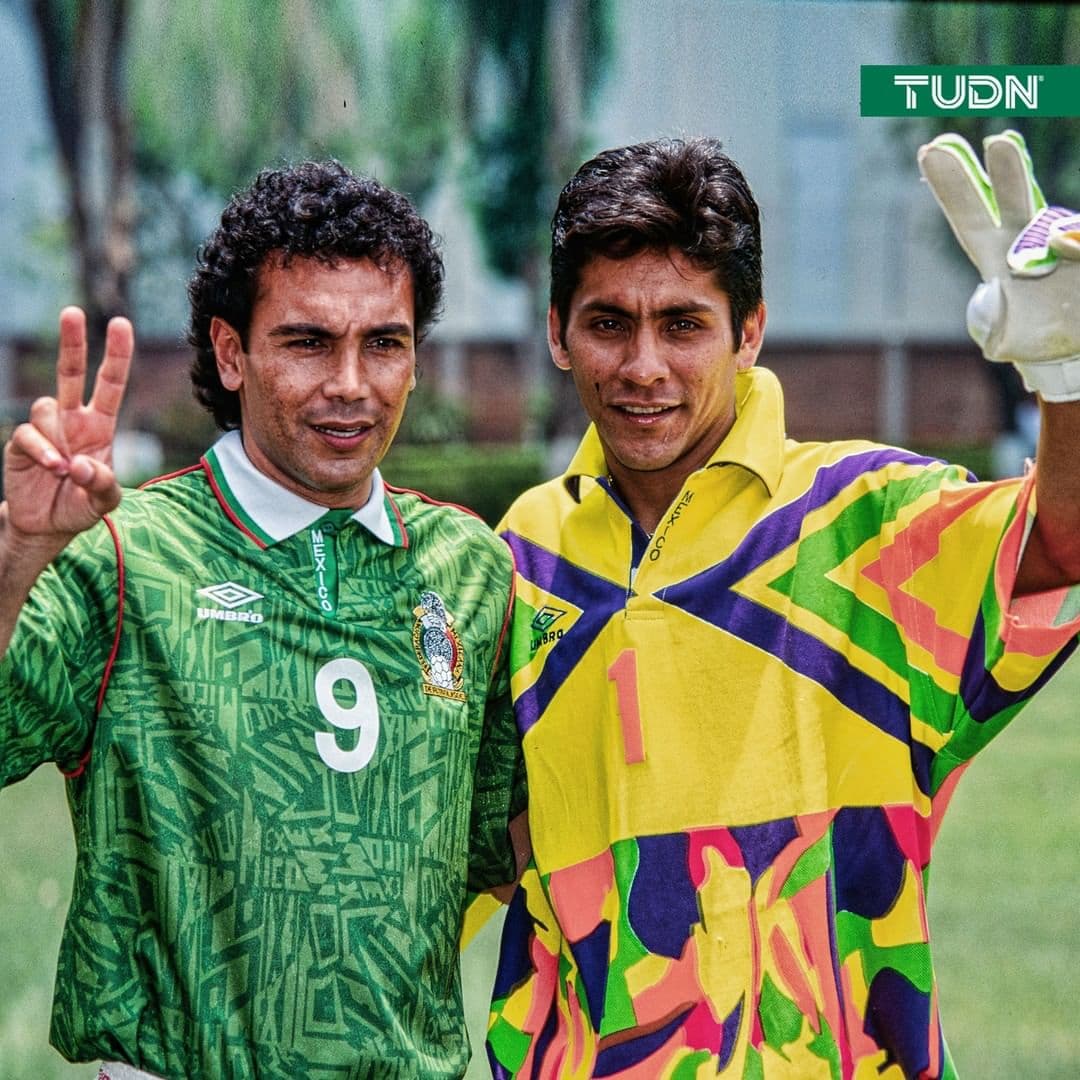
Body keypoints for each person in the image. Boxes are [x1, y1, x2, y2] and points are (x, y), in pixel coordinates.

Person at [485, 133, 1080, 1077]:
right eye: (609, 324)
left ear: (749, 330)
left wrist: (1068, 381)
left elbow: (1060, 543)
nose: (645, 366)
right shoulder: (519, 557)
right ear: (558, 332)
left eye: (683, 324)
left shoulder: (864, 516)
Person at [0, 161, 524, 1079]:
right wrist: (19, 553)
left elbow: (503, 846)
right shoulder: (128, 554)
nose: (352, 384)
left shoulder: (469, 567)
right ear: (232, 352)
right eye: (309, 343)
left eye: (386, 344)